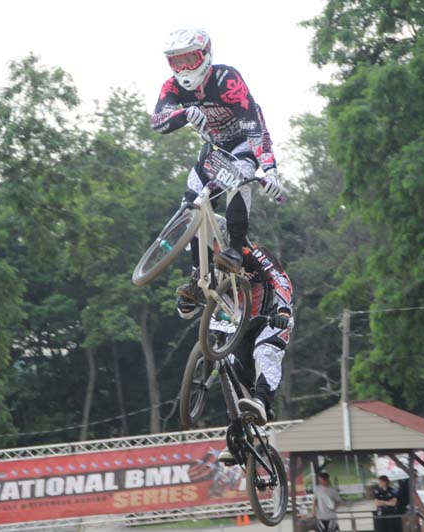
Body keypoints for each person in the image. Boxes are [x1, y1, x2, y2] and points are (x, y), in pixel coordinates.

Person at [151, 28, 283, 300]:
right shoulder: (172, 87)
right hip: (213, 148)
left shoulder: (227, 80)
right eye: (177, 62)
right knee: (191, 202)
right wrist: (183, 114)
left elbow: (255, 128)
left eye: (190, 59)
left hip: (242, 143)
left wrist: (270, 170)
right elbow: (158, 121)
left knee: (239, 179)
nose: (184, 69)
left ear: (206, 56)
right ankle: (197, 276)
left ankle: (235, 249)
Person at [178, 241, 293, 440]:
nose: (208, 252)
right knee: (233, 367)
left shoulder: (253, 253)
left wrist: (284, 311)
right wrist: (185, 304)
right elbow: (191, 304)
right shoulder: (204, 268)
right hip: (239, 324)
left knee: (265, 352)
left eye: (212, 247)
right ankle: (240, 434)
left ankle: (261, 400)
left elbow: (280, 279)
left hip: (271, 318)